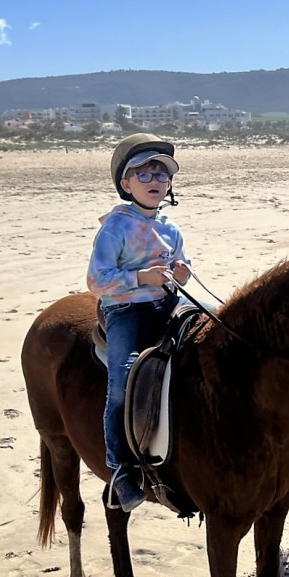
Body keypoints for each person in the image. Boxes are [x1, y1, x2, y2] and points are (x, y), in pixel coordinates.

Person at [87, 134, 191, 511]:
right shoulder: (116, 226)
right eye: (143, 174)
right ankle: (119, 468)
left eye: (161, 176)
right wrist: (140, 279)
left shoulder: (171, 229)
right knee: (123, 379)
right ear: (126, 184)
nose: (154, 182)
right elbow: (96, 280)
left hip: (167, 304)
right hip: (125, 310)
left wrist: (182, 273)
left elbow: (182, 267)